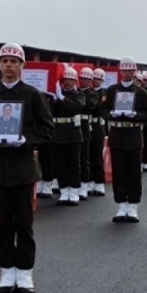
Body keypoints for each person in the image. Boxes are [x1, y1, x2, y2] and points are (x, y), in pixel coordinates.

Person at [0, 42, 55, 293]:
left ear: (21, 66)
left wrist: (25, 139)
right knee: (3, 222)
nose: (8, 65)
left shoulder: (32, 95)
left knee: (24, 222)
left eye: (13, 61)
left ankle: (25, 273)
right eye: (4, 60)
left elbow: (47, 128)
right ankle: (6, 271)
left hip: (22, 167)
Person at [101, 57, 147, 222]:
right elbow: (103, 110)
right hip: (117, 133)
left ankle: (133, 205)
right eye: (125, 70)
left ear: (134, 72)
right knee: (119, 170)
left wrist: (135, 115)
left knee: (133, 171)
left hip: (133, 134)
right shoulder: (111, 90)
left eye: (131, 71)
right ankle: (121, 204)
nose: (127, 74)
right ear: (120, 71)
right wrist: (112, 115)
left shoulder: (141, 92)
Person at [50, 67, 86, 206]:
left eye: (71, 79)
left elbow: (76, 107)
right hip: (58, 132)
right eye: (66, 79)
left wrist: (62, 98)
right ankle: (64, 190)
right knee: (60, 163)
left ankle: (74, 191)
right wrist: (53, 98)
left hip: (73, 132)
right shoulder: (56, 95)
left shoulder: (79, 94)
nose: (68, 82)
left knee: (73, 163)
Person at [88, 68, 108, 196]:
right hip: (88, 125)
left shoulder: (104, 93)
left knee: (97, 155)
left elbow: (101, 107)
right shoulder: (87, 92)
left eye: (99, 79)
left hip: (98, 125)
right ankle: (89, 181)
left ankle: (99, 182)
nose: (96, 81)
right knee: (88, 155)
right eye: (94, 78)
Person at [78, 67, 98, 199]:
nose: (84, 81)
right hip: (73, 125)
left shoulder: (92, 94)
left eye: (86, 79)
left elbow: (87, 106)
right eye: (82, 78)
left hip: (85, 125)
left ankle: (84, 184)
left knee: (84, 156)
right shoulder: (75, 92)